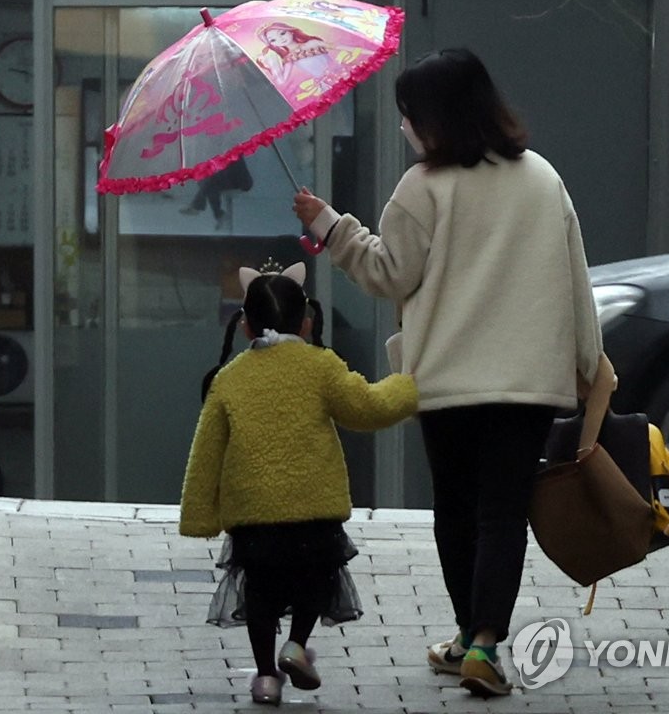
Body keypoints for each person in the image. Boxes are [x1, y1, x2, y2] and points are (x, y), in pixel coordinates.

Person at [292, 47, 603, 698]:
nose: (407, 128)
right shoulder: (543, 180)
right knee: (503, 515)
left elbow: (387, 274)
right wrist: (585, 363)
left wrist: (328, 226)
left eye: (409, 116)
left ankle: (470, 639)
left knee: (457, 512)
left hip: (448, 384)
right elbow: (577, 281)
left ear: (432, 119)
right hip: (527, 384)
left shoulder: (422, 189)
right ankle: (483, 645)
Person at [179, 261, 417, 706]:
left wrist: (199, 514)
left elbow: (205, 451)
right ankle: (297, 644)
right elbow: (365, 407)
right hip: (314, 506)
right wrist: (407, 387)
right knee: (316, 581)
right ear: (306, 321)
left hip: (253, 514)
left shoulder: (229, 379)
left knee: (261, 595)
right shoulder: (320, 366)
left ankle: (266, 677)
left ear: (246, 326)